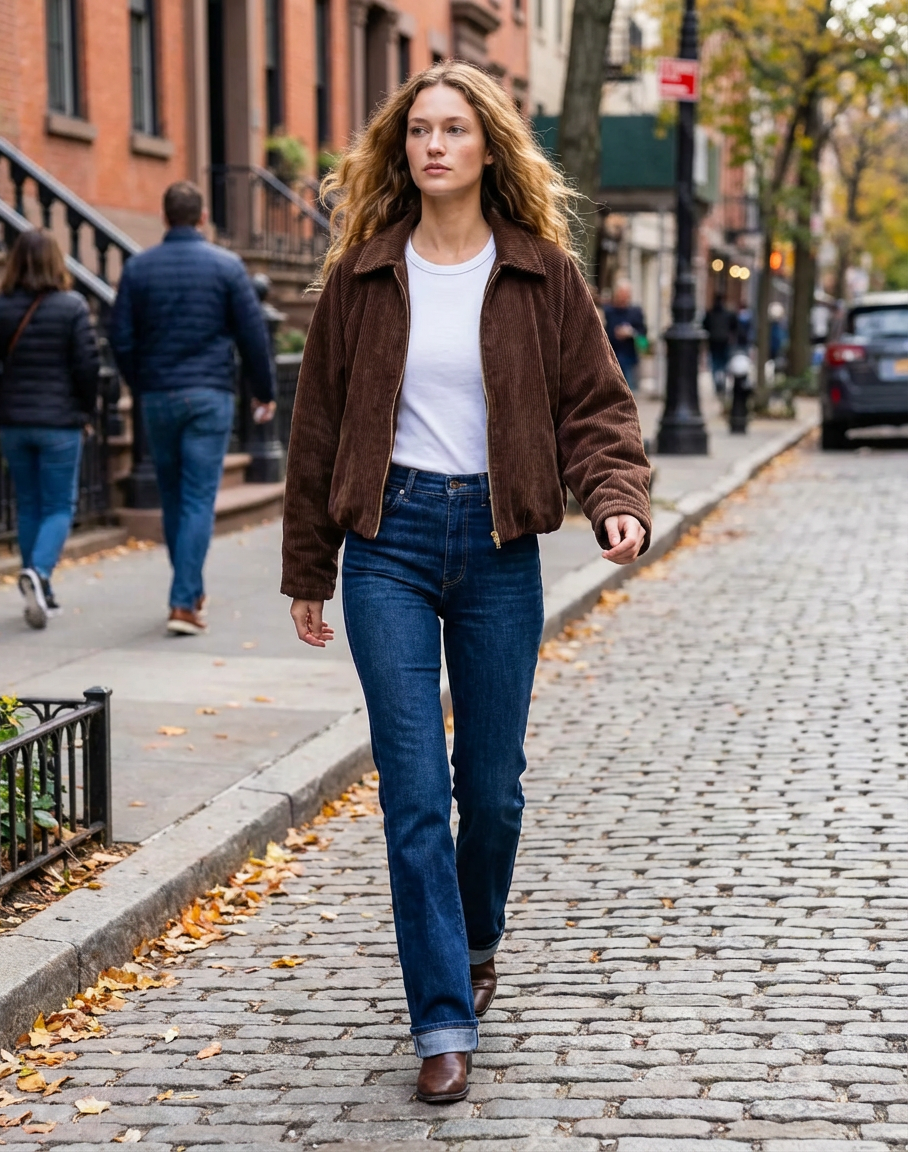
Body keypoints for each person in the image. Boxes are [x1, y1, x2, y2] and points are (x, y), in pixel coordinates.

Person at [281, 61, 652, 1104]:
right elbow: (316, 427)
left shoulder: (541, 273)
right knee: (411, 795)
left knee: (487, 792)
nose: (433, 146)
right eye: (417, 132)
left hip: (496, 549)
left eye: (453, 129)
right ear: (400, 152)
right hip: (388, 544)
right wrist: (310, 566)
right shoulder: (363, 275)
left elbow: (597, 408)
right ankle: (441, 1019)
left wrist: (613, 496)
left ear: (489, 146)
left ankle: (477, 933)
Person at [109, 182, 276, 636]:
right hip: (209, 395)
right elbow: (252, 335)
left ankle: (189, 591)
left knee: (172, 496)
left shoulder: (138, 268)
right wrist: (264, 391)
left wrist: (142, 382)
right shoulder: (227, 267)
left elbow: (119, 337)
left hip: (159, 396)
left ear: (165, 218)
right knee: (199, 497)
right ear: (203, 218)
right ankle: (184, 601)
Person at [0, 230, 100, 630]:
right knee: (59, 505)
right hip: (59, 422)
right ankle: (40, 573)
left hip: (14, 422)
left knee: (29, 505)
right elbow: (87, 367)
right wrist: (85, 410)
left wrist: (3, 403)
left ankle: (39, 587)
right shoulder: (72, 306)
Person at [602, 281, 647, 392]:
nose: (623, 296)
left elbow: (643, 332)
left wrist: (631, 332)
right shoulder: (608, 311)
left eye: (626, 293)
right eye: (621, 293)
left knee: (628, 388)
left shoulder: (635, 312)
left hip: (629, 355)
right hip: (612, 355)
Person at [703, 293, 737, 395]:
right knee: (723, 363)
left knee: (715, 363)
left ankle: (717, 382)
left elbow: (705, 327)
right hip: (724, 342)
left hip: (713, 342)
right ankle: (722, 381)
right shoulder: (728, 314)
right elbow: (734, 327)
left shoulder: (710, 314)